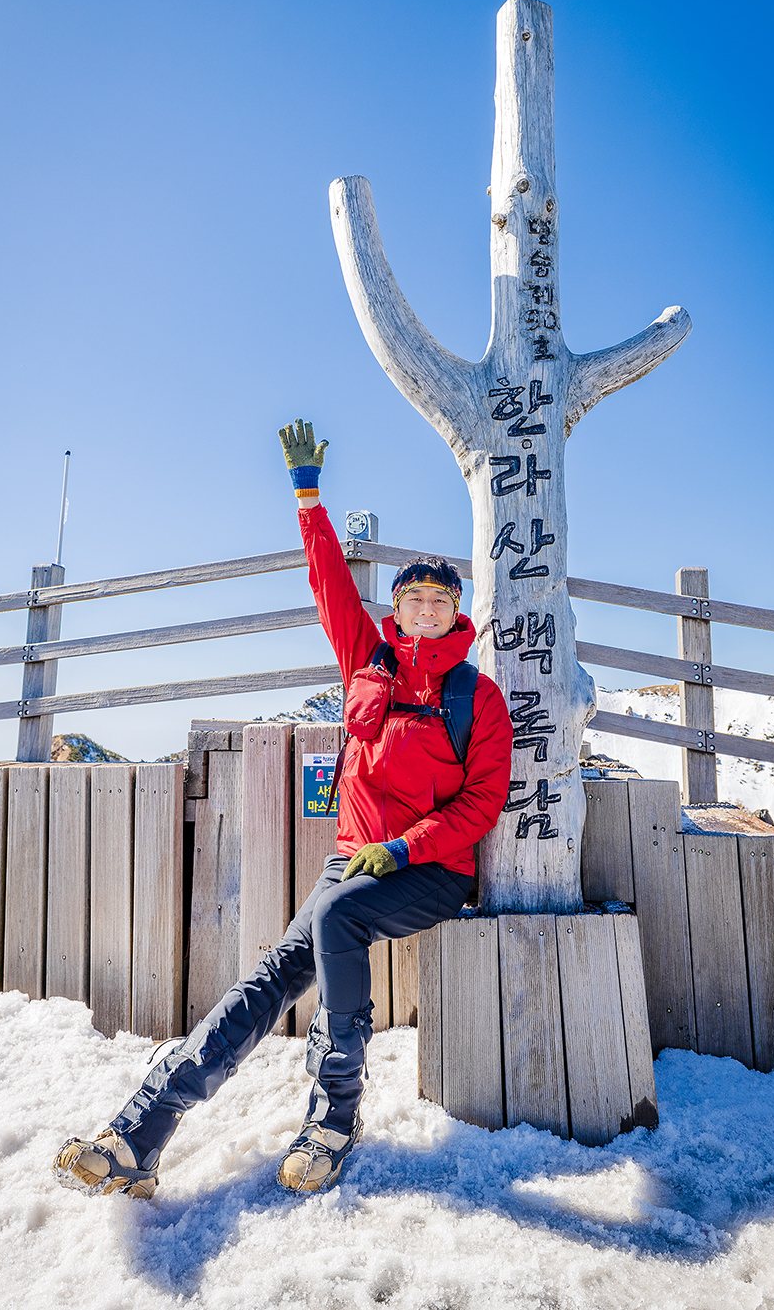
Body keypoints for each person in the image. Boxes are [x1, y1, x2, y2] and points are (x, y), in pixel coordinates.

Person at [53, 420, 512, 1199]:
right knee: (266, 982)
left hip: (428, 868)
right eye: (414, 598)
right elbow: (330, 579)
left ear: (457, 611)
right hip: (349, 862)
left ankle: (334, 1117)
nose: (427, 609)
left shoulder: (478, 695)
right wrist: (308, 497)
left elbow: (482, 802)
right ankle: (139, 1132)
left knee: (335, 922)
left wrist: (401, 850)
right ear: (397, 609)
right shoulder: (367, 659)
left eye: (442, 599)